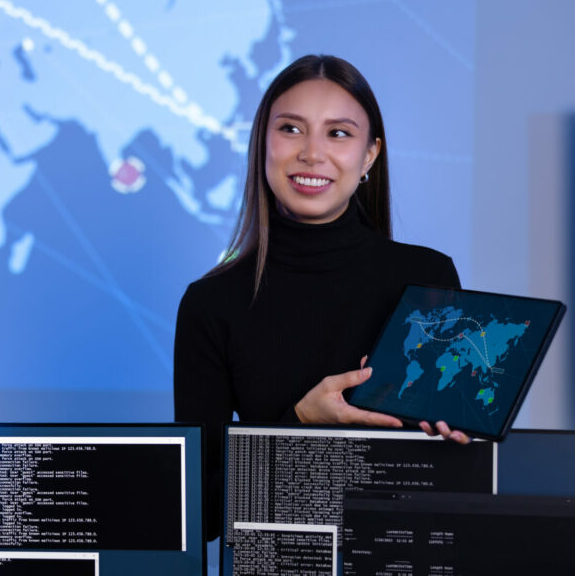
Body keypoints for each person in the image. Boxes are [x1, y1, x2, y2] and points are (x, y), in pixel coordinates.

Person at [174, 54, 466, 539]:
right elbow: (198, 516)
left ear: (369, 155)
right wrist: (301, 421)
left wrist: (460, 439)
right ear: (262, 144)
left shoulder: (428, 277)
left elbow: (450, 482)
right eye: (291, 129)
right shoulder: (211, 303)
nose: (312, 153)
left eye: (338, 133)